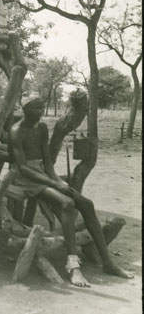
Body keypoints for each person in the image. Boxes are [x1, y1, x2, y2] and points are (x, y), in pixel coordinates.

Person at [8, 94, 133, 287]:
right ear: (24, 109)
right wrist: (54, 183)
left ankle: (108, 262)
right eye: (35, 108)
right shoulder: (17, 131)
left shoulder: (41, 128)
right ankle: (73, 266)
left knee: (86, 203)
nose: (40, 112)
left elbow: (47, 160)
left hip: (41, 173)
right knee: (67, 203)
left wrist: (56, 179)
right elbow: (23, 168)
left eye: (42, 107)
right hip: (24, 178)